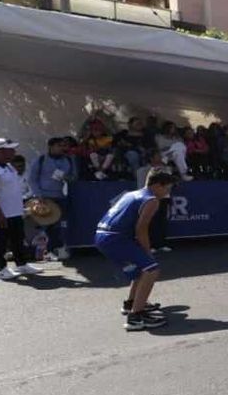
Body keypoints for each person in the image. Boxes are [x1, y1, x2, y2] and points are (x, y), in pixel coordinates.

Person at [94, 167, 175, 331]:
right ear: (159, 185)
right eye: (167, 188)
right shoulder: (152, 200)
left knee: (141, 270)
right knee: (151, 269)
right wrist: (147, 250)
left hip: (102, 235)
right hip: (115, 238)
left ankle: (131, 303)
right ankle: (136, 317)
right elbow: (141, 229)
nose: (168, 192)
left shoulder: (131, 194)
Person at [0, 138, 44, 281]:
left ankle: (22, 265)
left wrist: (23, 208)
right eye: (10, 149)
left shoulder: (8, 166)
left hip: (15, 212)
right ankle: (1, 269)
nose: (14, 152)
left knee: (18, 240)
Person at [28, 137, 75, 261]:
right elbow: (32, 179)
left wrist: (66, 177)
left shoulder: (68, 160)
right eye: (59, 145)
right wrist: (38, 195)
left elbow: (74, 177)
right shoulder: (41, 160)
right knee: (45, 225)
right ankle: (45, 251)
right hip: (44, 197)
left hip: (61, 196)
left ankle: (55, 250)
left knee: (58, 225)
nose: (62, 148)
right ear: (51, 146)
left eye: (63, 146)